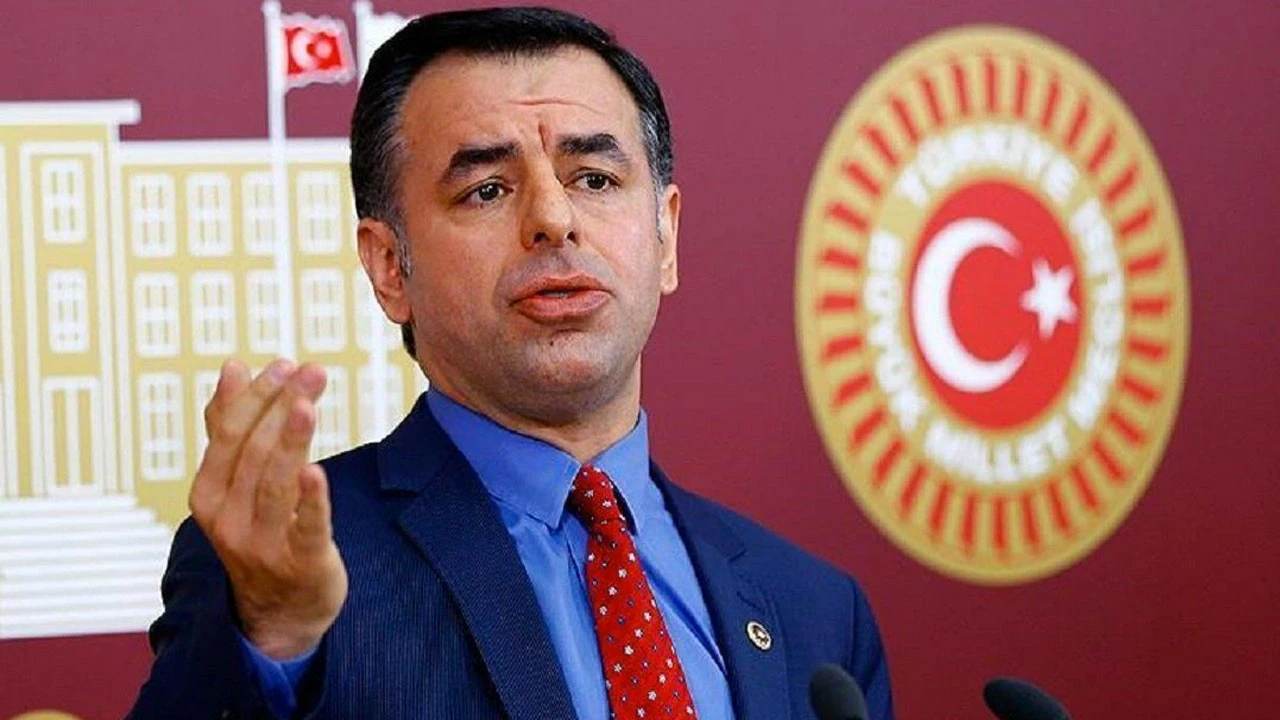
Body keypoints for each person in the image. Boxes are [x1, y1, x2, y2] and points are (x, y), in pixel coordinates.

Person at [127, 7, 893, 719]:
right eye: (487, 190)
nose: (554, 219)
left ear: (666, 236)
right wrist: (274, 634)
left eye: (594, 179)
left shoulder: (815, 609)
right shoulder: (285, 575)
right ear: (390, 266)